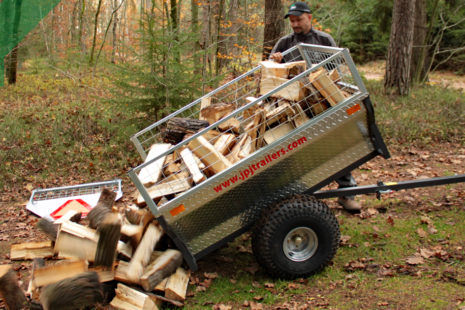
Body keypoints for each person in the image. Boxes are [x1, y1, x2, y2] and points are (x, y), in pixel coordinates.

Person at [270, 1, 362, 213]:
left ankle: (347, 193)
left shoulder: (324, 40)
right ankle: (299, 194)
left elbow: (336, 70)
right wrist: (275, 60)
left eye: (298, 20)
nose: (294, 24)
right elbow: (270, 70)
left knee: (335, 146)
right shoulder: (284, 43)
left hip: (322, 103)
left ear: (310, 18)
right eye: (292, 21)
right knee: (296, 151)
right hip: (292, 107)